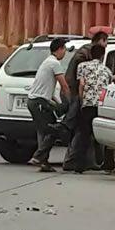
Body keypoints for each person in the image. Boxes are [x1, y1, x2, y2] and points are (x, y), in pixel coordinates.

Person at [62, 31, 109, 171]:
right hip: (86, 100)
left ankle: (81, 163)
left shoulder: (84, 59)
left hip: (84, 101)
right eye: (106, 42)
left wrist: (83, 100)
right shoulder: (100, 66)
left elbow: (81, 82)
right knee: (90, 133)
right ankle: (101, 163)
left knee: (83, 133)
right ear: (101, 41)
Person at [27, 38, 70, 172]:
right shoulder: (54, 63)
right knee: (53, 129)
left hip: (36, 101)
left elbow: (48, 89)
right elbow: (64, 85)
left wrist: (57, 103)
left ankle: (43, 162)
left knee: (44, 130)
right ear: (59, 49)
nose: (65, 53)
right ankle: (39, 156)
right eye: (65, 49)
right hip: (39, 102)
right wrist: (69, 102)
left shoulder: (47, 62)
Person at [75, 43, 113, 173]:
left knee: (84, 135)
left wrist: (81, 101)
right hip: (101, 106)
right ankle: (108, 164)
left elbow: (81, 85)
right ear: (103, 56)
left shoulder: (82, 66)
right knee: (103, 135)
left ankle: (79, 165)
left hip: (88, 104)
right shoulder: (107, 71)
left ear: (90, 55)